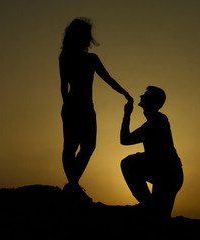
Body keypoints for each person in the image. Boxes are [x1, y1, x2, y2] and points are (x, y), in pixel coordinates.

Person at [60, 18, 132, 201]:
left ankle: (72, 183)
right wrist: (67, 104)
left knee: (86, 146)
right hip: (76, 106)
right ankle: (73, 184)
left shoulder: (89, 59)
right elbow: (63, 85)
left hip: (82, 107)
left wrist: (124, 93)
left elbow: (107, 78)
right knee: (72, 147)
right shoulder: (67, 57)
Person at [120, 86, 183, 221]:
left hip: (168, 174)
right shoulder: (153, 122)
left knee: (128, 163)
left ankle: (147, 205)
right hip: (166, 174)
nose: (141, 96)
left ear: (152, 101)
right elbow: (125, 140)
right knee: (158, 217)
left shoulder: (158, 121)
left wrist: (127, 114)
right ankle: (148, 206)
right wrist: (127, 114)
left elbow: (125, 140)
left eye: (145, 95)